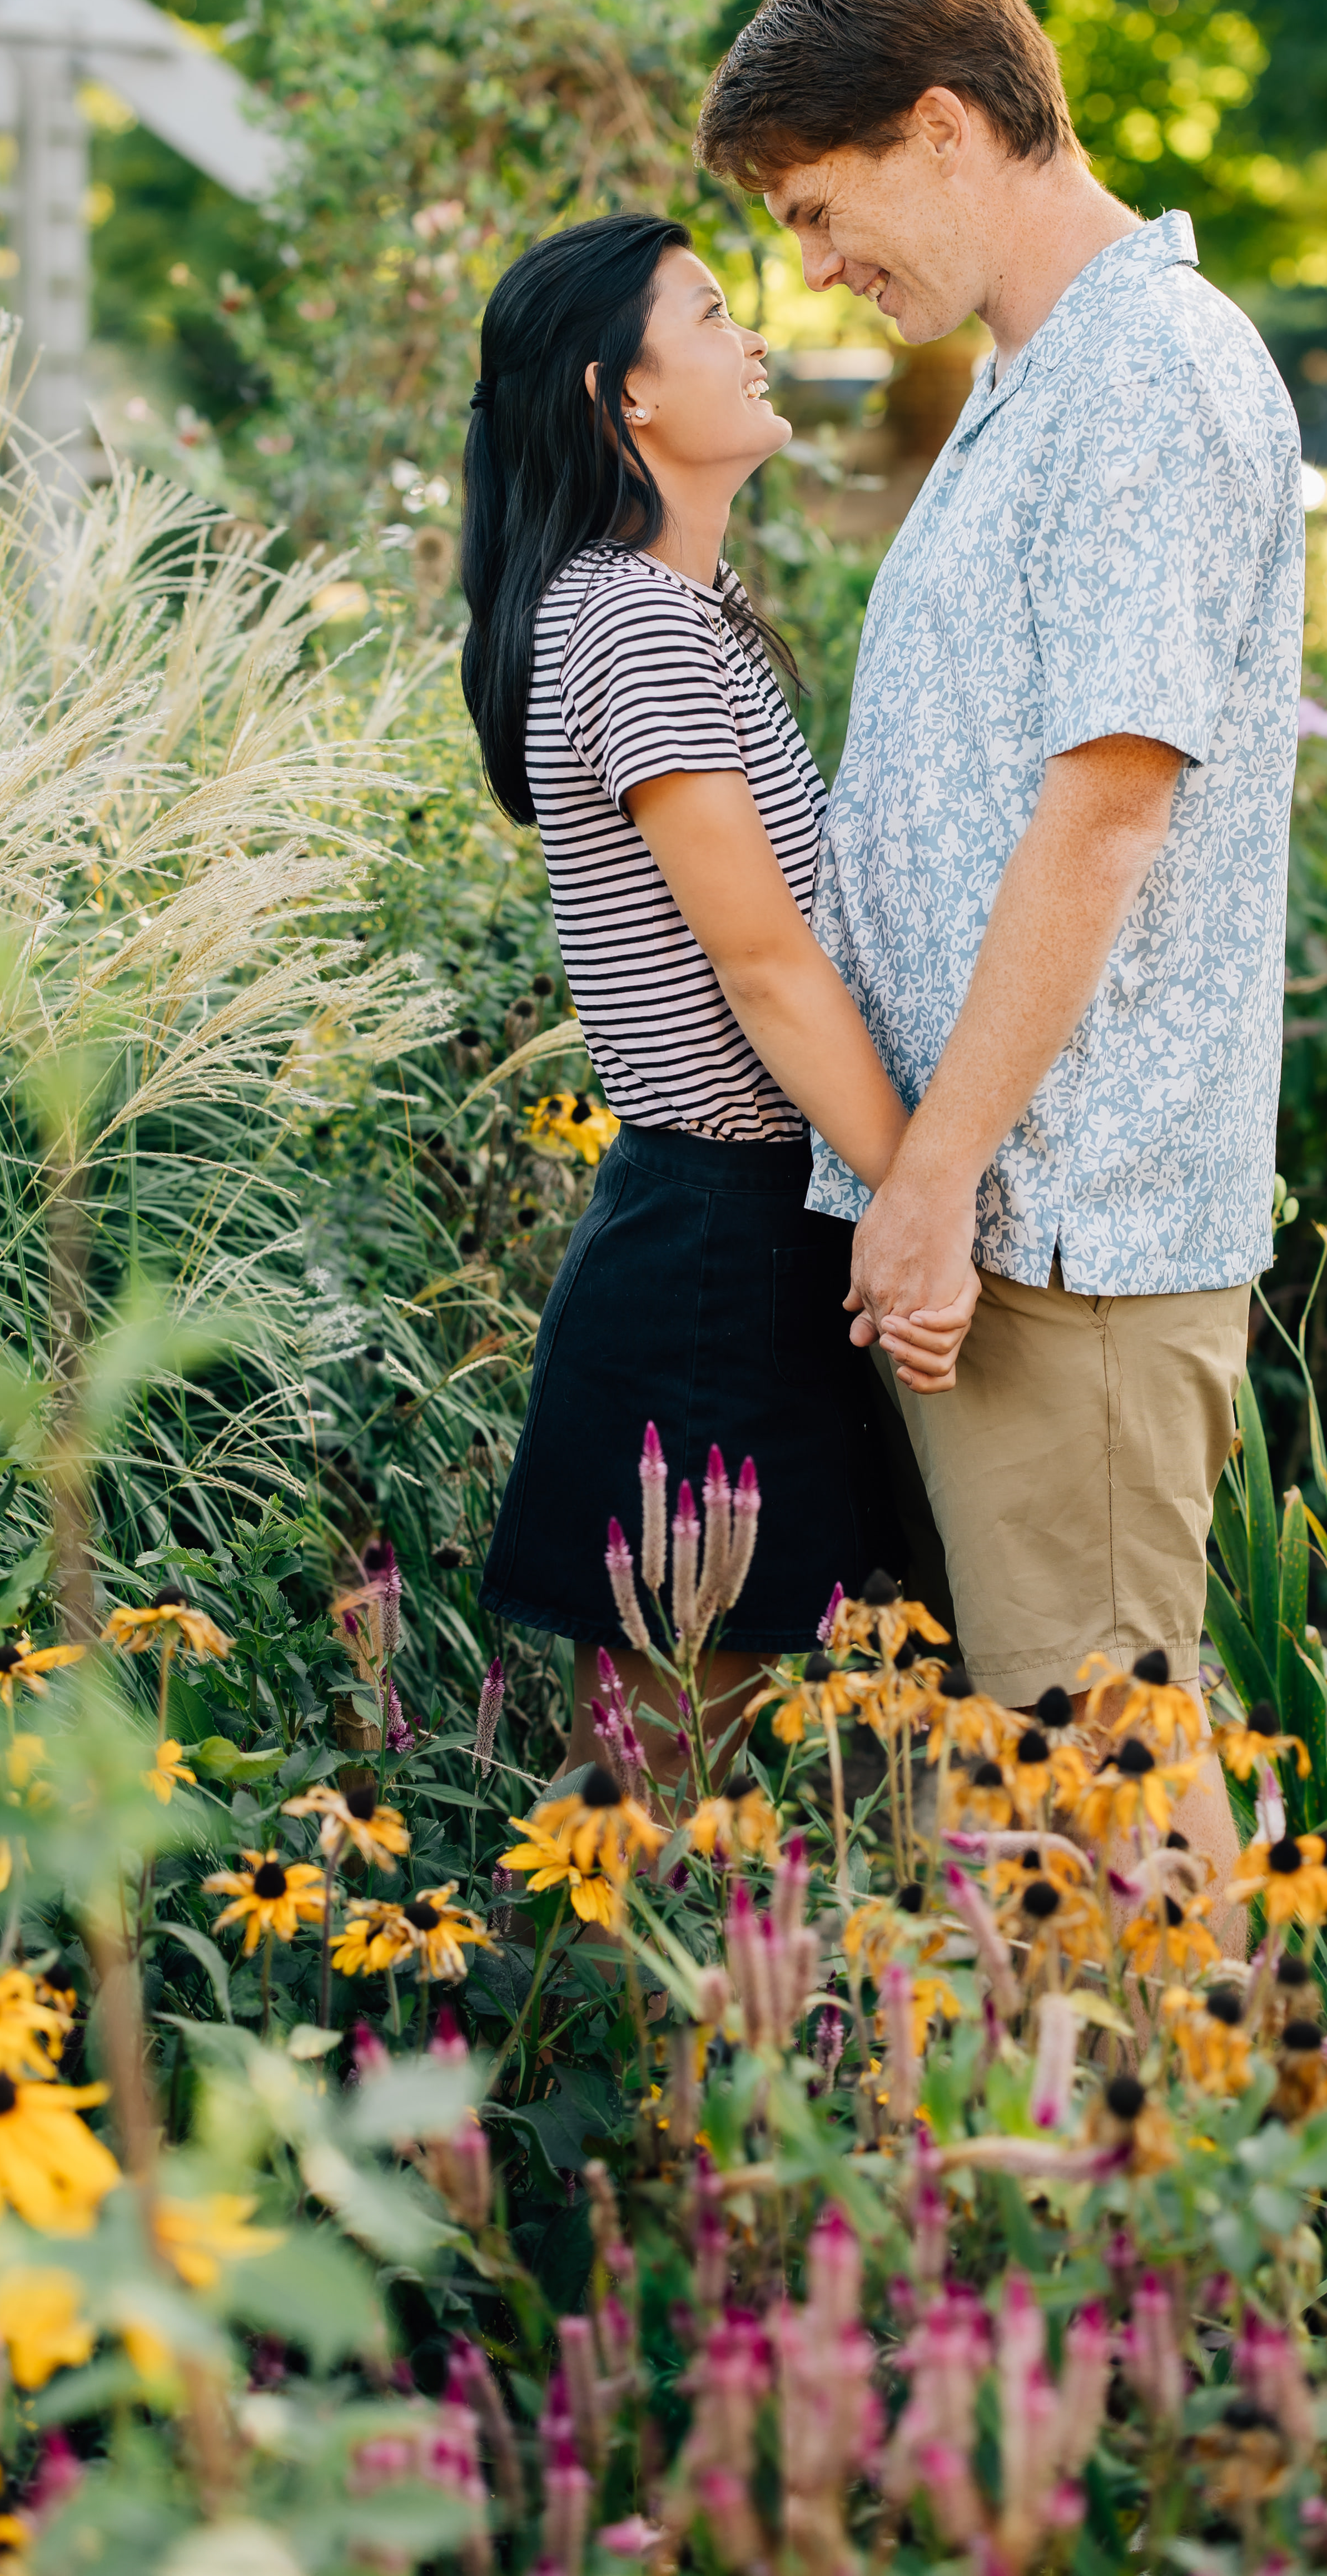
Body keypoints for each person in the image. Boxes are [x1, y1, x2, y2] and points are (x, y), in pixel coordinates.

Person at [693, 0, 1304, 1928]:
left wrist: (934, 1174)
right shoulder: (1039, 375)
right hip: (999, 1215)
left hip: (1066, 1225)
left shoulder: (1146, 376)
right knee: (1040, 1815)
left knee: (1103, 1796)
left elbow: (1105, 816)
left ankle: (1210, 2145)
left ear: (942, 128)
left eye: (818, 206)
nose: (811, 267)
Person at [459, 211, 976, 1781]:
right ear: (623, 392)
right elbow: (764, 967)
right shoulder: (631, 622)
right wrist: (921, 1198)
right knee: (645, 1797)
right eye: (707, 314)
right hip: (713, 1251)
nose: (754, 338)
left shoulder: (673, 610)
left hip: (747, 1229)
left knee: (689, 1786)